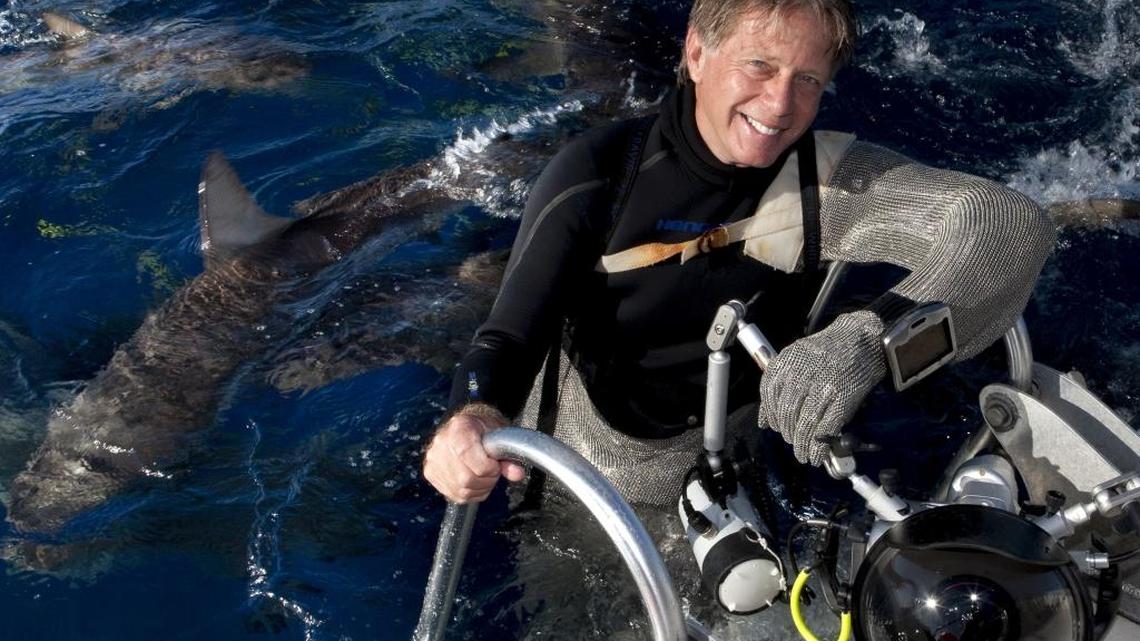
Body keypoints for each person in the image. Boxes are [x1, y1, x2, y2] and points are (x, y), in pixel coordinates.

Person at [422, 0, 1054, 507]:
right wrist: (469, 422)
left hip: (744, 453)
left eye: (806, 79)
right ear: (697, 52)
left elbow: (1006, 223)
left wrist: (866, 340)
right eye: (758, 65)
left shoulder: (823, 181)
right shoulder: (600, 176)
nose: (779, 106)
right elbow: (506, 340)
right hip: (592, 466)